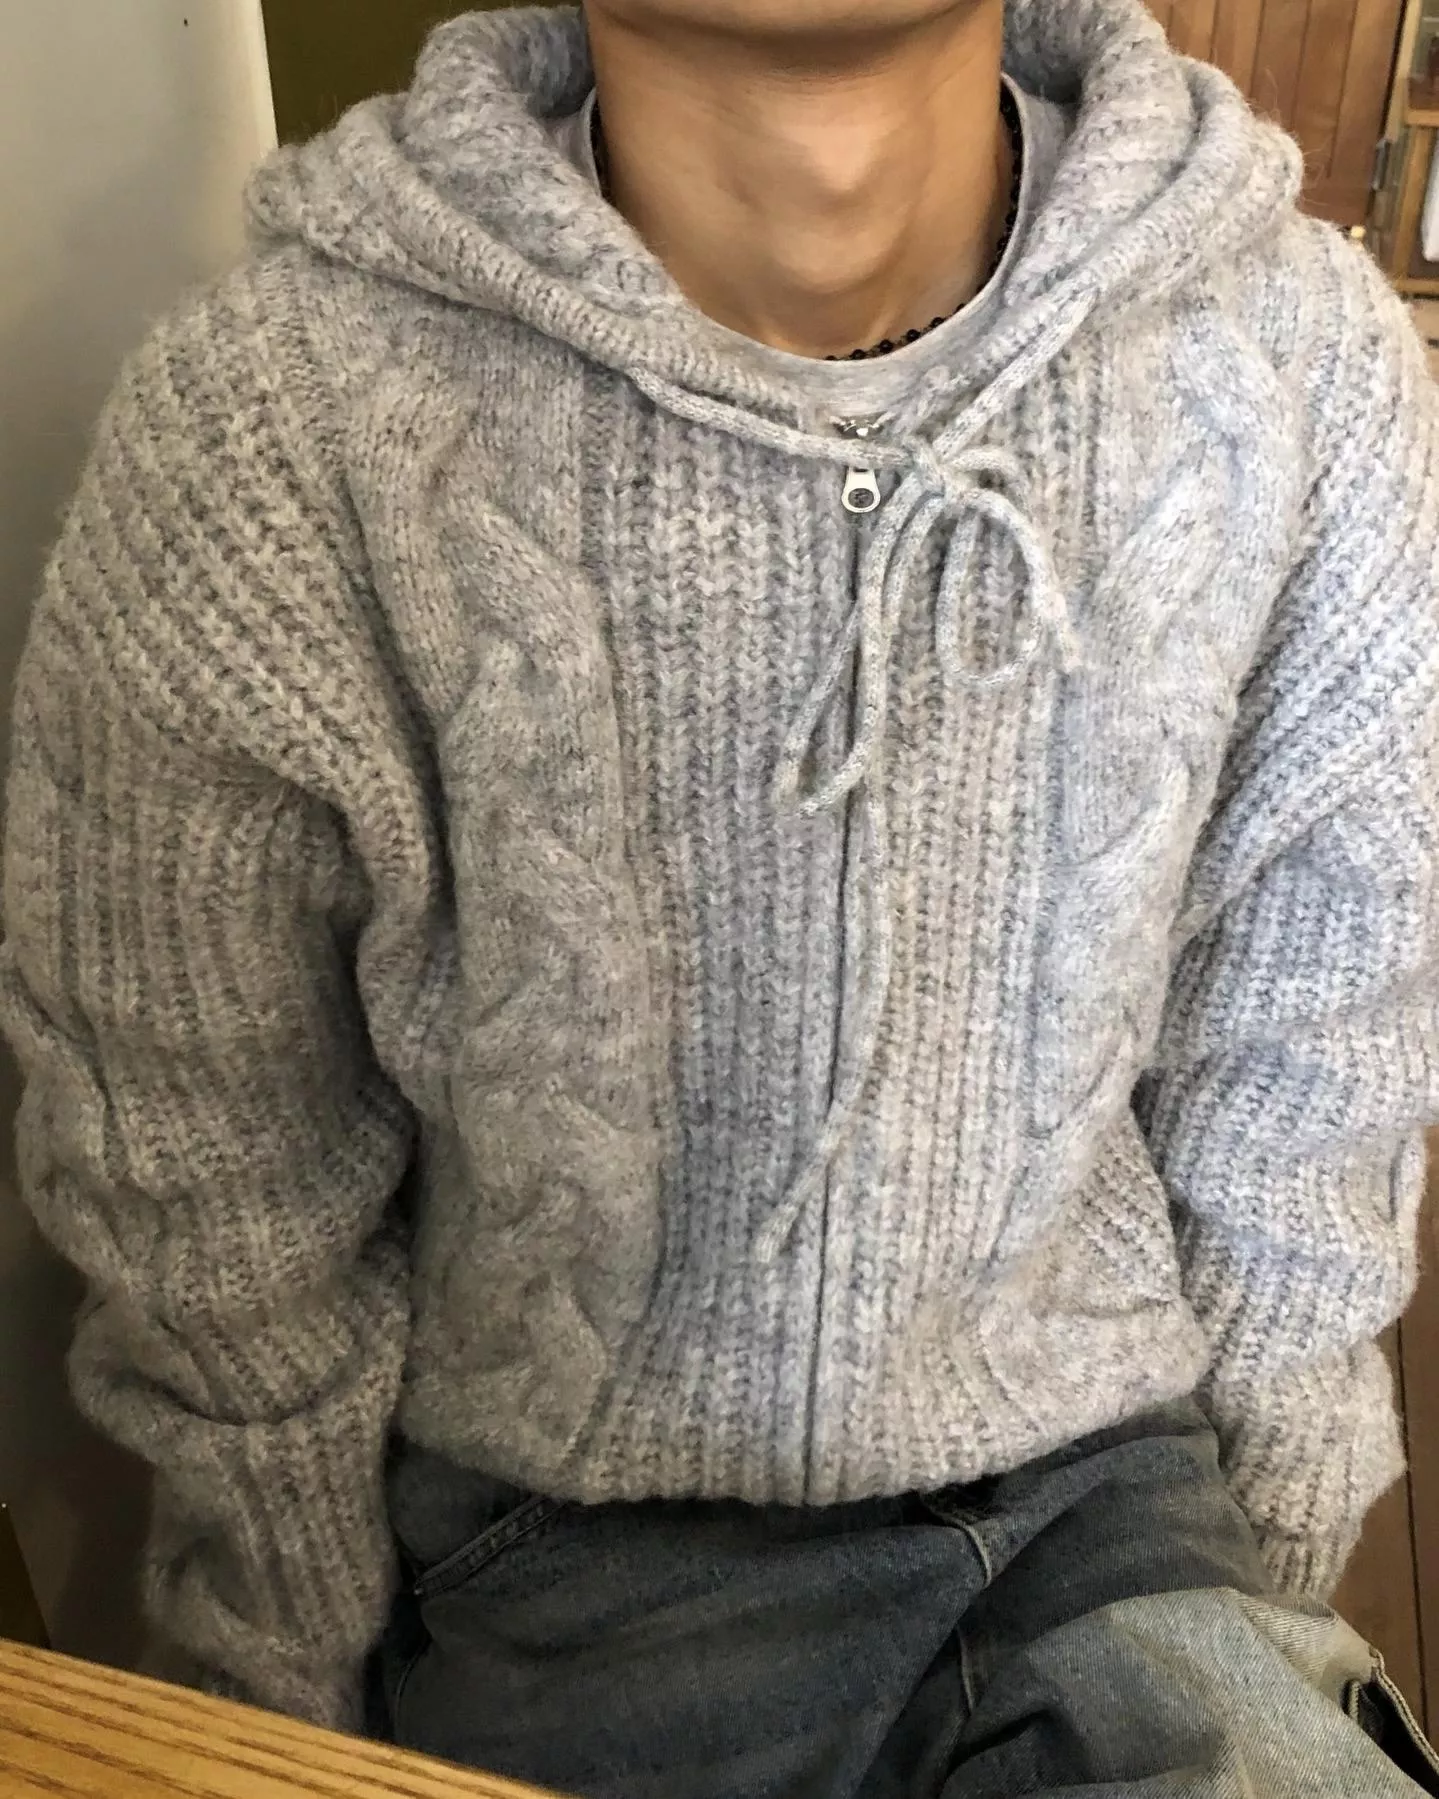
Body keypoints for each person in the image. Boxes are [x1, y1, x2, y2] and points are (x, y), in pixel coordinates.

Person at [5, 0, 1439, 1790]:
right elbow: (208, 1165)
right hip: (559, 1563)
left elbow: (1312, 1059)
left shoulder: (1299, 364)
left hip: (1119, 1513)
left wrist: (1268, 1608)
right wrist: (274, 1708)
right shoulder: (270, 424)